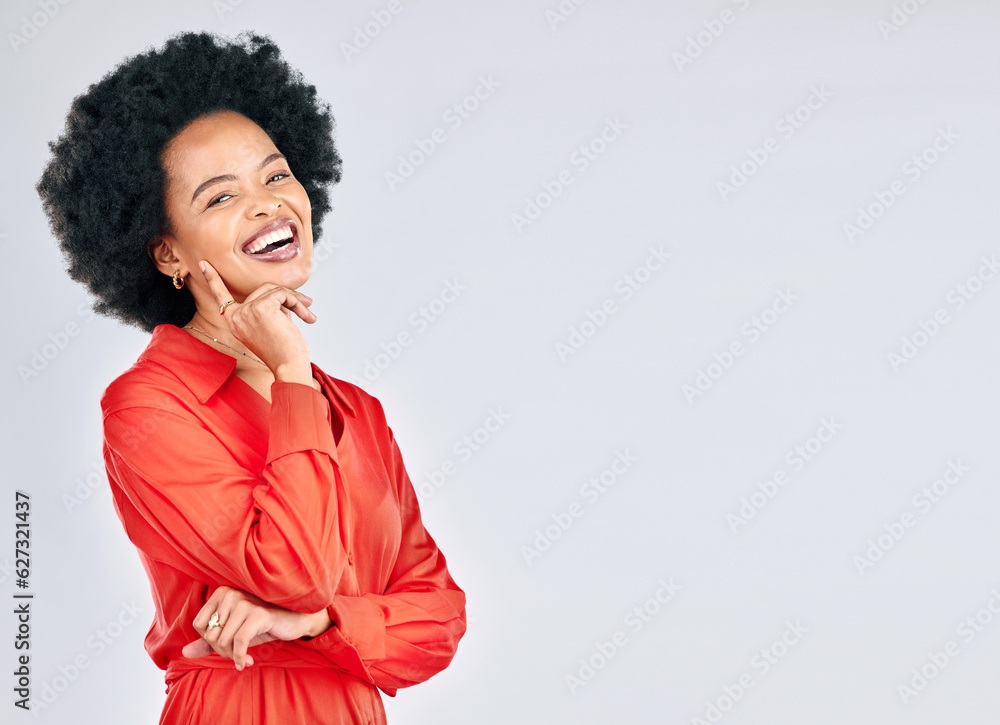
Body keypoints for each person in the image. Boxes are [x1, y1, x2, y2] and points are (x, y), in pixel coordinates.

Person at [35, 30, 466, 724]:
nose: (268, 204)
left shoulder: (355, 411)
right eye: (219, 196)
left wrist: (317, 623)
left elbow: (439, 619)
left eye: (274, 175)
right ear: (168, 251)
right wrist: (290, 368)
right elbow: (293, 569)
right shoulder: (149, 405)